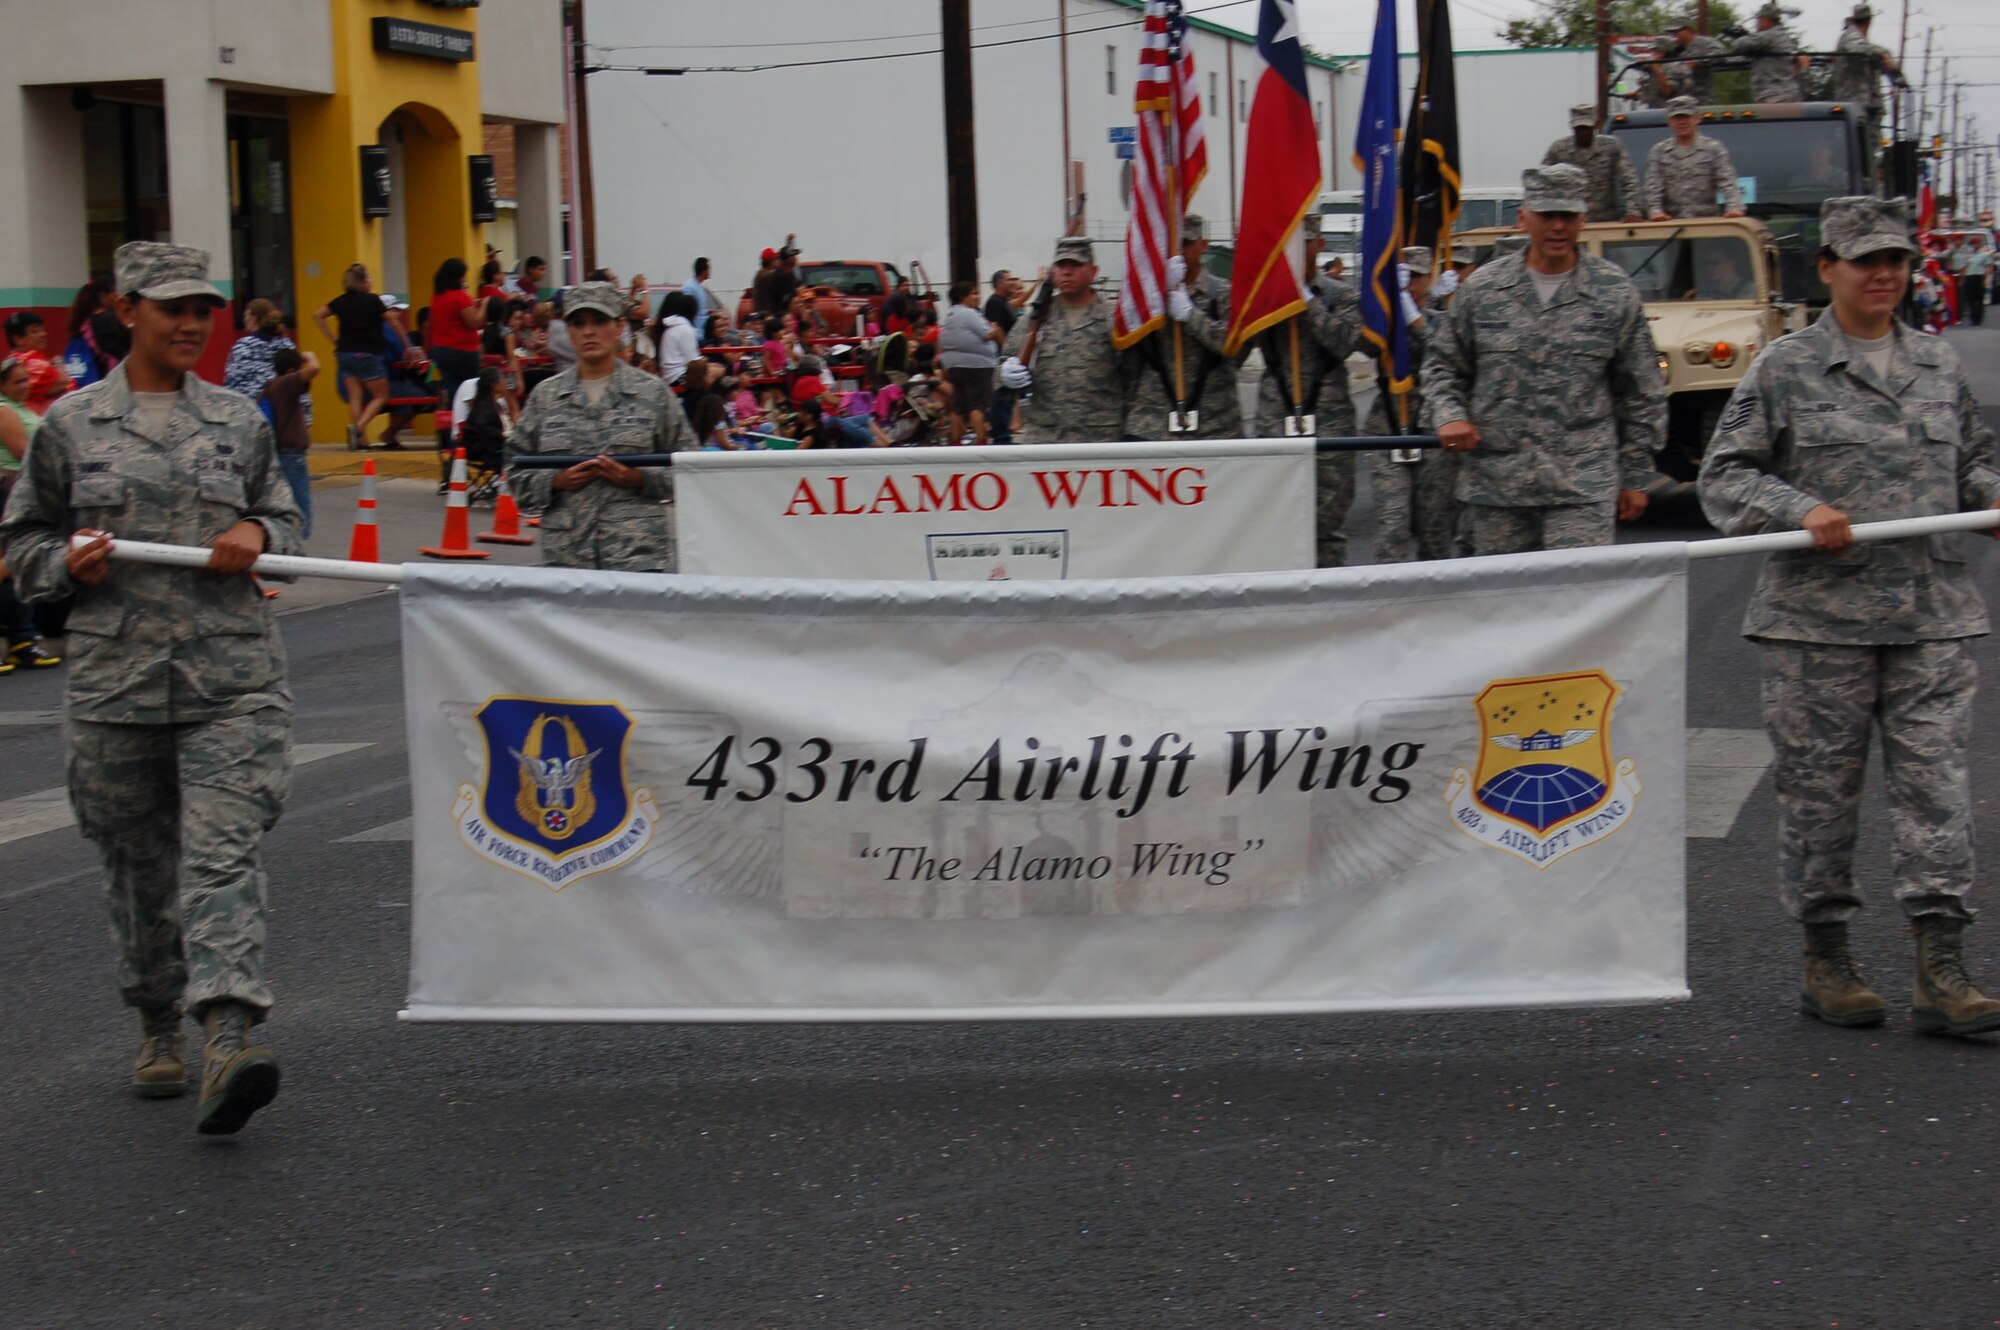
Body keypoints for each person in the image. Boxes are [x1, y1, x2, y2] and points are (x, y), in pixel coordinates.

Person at [0, 241, 303, 1133]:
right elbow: (22, 545)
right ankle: (157, 1019)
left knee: (222, 857)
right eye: (171, 308)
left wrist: (256, 526)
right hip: (115, 687)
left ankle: (230, 1033)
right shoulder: (70, 425)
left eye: (202, 309)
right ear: (126, 310)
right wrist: (67, 565)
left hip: (230, 678)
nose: (190, 324)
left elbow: (285, 516)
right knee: (138, 873)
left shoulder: (237, 420)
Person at [1697, 195, 2000, 1037]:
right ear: (1826, 268)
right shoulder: (1785, 367)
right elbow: (1725, 477)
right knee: (1820, 802)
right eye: (1865, 260)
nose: (1884, 274)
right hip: (1816, 624)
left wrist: (1990, 496)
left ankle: (1941, 967)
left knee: (1939, 794)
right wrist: (1799, 508)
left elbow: (1971, 463)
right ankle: (1825, 956)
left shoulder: (1938, 366)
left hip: (1932, 616)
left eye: (1897, 260)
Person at [1426, 165, 1665, 555]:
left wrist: (1637, 474)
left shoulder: (1613, 292)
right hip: (1497, 486)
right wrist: (1449, 415)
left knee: (1576, 604)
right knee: (1504, 608)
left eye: (1567, 216)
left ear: (1583, 220)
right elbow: (1442, 366)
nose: (1558, 226)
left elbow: (1642, 391)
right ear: (1523, 218)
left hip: (1581, 486)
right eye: (1547, 215)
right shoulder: (1482, 291)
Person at [506, 282, 694, 571]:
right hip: (567, 560)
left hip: (636, 557)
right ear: (568, 332)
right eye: (578, 323)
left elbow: (692, 469)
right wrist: (555, 481)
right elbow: (513, 467)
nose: (589, 331)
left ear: (620, 327)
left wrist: (639, 478)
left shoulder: (652, 393)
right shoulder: (546, 398)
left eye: (600, 320)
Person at [1245, 213, 1364, 567]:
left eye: (1302, 244)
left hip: (1329, 419)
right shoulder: (1267, 297)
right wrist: (1265, 298)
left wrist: (1306, 300)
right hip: (1275, 415)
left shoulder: (1341, 296)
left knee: (1327, 527)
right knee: (1275, 521)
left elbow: (1345, 342)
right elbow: (1236, 344)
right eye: (1287, 246)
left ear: (1318, 245)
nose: (1293, 253)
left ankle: (1330, 609)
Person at [1368, 251, 1459, 564]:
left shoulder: (1442, 322)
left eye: (1417, 277)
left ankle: (1434, 605)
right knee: (1393, 526)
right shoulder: (1382, 323)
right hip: (1389, 427)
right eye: (1403, 280)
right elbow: (1356, 342)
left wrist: (1417, 321)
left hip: (1434, 431)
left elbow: (1447, 355)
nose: (1411, 287)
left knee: (1436, 529)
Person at [1000, 237, 1127, 443]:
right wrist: (1004, 375)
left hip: (1100, 439)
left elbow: (1135, 377)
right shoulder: (1034, 320)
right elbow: (1002, 367)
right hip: (1046, 439)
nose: (1067, 271)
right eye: (1061, 265)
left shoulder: (1115, 318)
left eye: (1076, 264)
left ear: (1094, 271)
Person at [1142, 214, 1245, 442]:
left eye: (1186, 243)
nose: (1178, 252)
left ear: (1203, 245)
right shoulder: (1145, 297)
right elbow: (1128, 345)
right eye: (1171, 245)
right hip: (1156, 424)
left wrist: (1191, 315)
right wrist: (1156, 293)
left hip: (1216, 423)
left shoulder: (1224, 293)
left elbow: (1234, 346)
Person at [0, 355, 64, 675]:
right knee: (9, 563)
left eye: (27, 380)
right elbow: (25, 455)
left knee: (20, 563)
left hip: (24, 490)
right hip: (9, 488)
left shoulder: (25, 408)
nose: (25, 386)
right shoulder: (4, 410)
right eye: (17, 382)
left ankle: (21, 639)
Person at [310, 263, 391, 450]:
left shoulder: (340, 301)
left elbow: (318, 315)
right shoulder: (373, 301)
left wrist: (333, 339)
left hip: (345, 353)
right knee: (381, 395)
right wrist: (407, 345)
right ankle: (358, 428)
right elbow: (392, 321)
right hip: (369, 352)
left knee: (355, 396)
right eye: (369, 278)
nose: (371, 281)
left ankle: (360, 440)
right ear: (363, 282)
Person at [426, 258, 486, 476]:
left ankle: (453, 447)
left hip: (442, 351)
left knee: (454, 398)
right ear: (458, 276)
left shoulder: (438, 297)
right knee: (471, 397)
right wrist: (484, 306)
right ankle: (471, 441)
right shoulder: (460, 297)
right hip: (463, 351)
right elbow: (474, 323)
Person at [1645, 97, 1747, 221]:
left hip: (1707, 223)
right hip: (1671, 224)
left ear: (1697, 119)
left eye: (1686, 117)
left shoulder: (1713, 149)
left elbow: (1728, 182)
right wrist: (1655, 211)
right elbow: (1653, 187)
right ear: (1670, 122)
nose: (1682, 122)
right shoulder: (1659, 152)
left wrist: (1734, 208)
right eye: (1677, 118)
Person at [1542, 105, 1643, 224]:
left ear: (1595, 125)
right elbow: (1541, 183)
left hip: (1606, 222)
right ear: (1572, 127)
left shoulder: (1611, 147)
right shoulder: (1558, 149)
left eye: (1587, 128)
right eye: (1579, 128)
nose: (1583, 132)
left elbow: (1629, 180)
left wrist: (1633, 212)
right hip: (1571, 222)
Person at [260, 346, 320, 538]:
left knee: (282, 503)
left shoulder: (271, 386)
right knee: (300, 505)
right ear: (291, 371)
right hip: (292, 456)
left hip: (280, 453)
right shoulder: (286, 384)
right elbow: (314, 368)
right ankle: (297, 543)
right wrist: (307, 355)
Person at [938, 279, 1001, 444]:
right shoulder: (969, 313)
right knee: (977, 404)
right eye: (973, 293)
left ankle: (955, 440)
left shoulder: (950, 315)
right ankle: (981, 440)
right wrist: (995, 328)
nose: (977, 297)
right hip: (976, 365)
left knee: (958, 405)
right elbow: (987, 333)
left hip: (954, 365)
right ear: (963, 297)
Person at [1834, 3, 1898, 138]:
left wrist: (1893, 71)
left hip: (1867, 105)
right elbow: (1858, 48)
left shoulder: (1861, 39)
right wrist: (1882, 54)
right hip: (1855, 104)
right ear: (1869, 22)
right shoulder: (1851, 35)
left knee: (1870, 146)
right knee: (1858, 143)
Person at [1732, 2, 1807, 104]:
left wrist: (1741, 37)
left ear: (1766, 19)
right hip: (1785, 94)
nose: (1757, 22)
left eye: (1759, 18)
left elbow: (1739, 45)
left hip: (1775, 96)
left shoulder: (1769, 36)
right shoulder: (1781, 36)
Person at [5, 311, 74, 414]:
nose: (43, 334)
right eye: (35, 331)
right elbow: (62, 382)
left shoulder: (14, 361)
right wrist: (59, 362)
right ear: (17, 339)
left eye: (42, 330)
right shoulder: (28, 360)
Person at [1659, 13, 1727, 104]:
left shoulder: (1704, 42)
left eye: (1676, 31)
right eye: (1672, 33)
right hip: (1681, 102)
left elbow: (1721, 53)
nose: (1674, 35)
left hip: (1703, 101)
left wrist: (1699, 63)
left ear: (1687, 30)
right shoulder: (1675, 51)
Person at [1691, 240, 1758, 300]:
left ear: (1730, 262)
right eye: (1707, 263)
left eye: (1715, 263)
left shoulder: (1751, 291)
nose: (1709, 268)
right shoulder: (1703, 292)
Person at [1952, 238, 1990, 328]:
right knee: (1971, 300)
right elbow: (1963, 268)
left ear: (1980, 244)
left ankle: (1979, 318)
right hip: (1969, 277)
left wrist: (1986, 279)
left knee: (1979, 299)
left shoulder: (1984, 255)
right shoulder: (1967, 256)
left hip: (1979, 277)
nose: (1975, 245)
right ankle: (1973, 318)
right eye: (1973, 244)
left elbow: (1988, 268)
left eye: (1977, 243)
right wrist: (1962, 279)